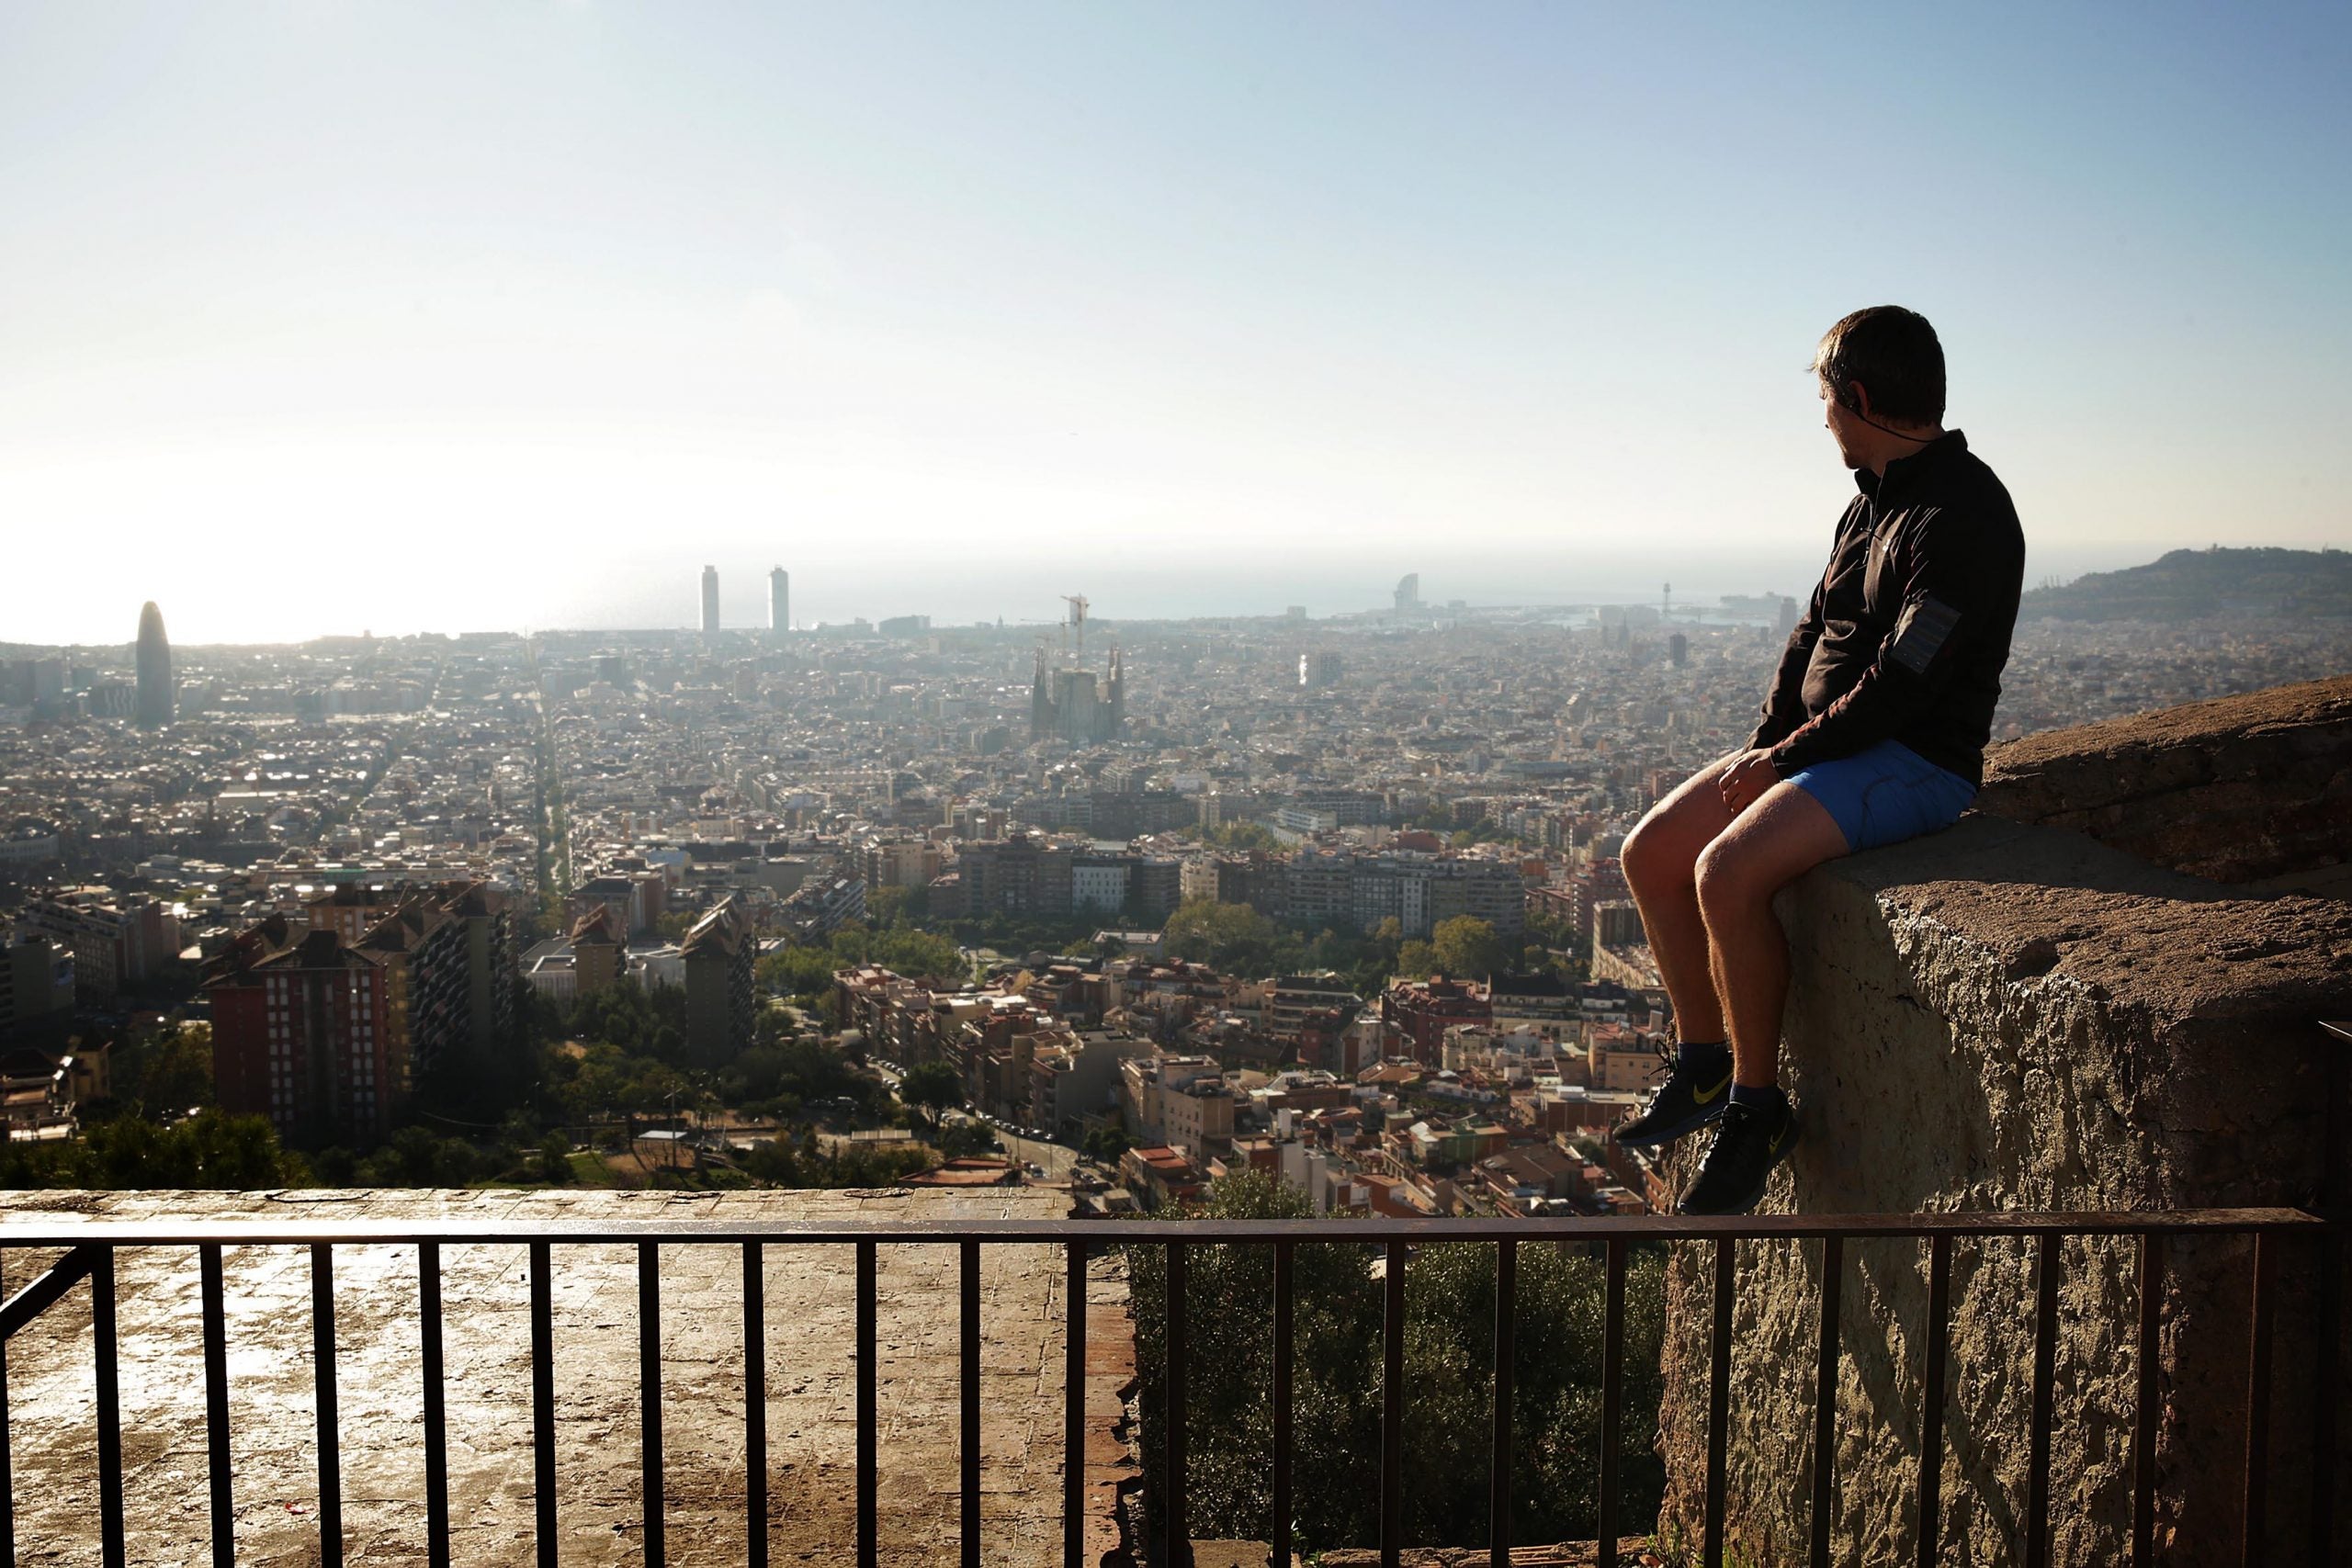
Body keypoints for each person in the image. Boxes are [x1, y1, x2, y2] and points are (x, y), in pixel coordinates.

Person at [1611, 305, 2025, 1214]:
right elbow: (1812, 637)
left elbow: (1904, 684)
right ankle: (1703, 1061)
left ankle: (1757, 1109)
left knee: (1724, 873)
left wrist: (1779, 762)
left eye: (1830, 403)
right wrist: (1764, 748)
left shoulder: (1963, 516)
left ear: (1864, 398)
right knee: (1649, 852)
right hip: (1821, 752)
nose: (1825, 421)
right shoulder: (1868, 503)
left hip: (1912, 759)